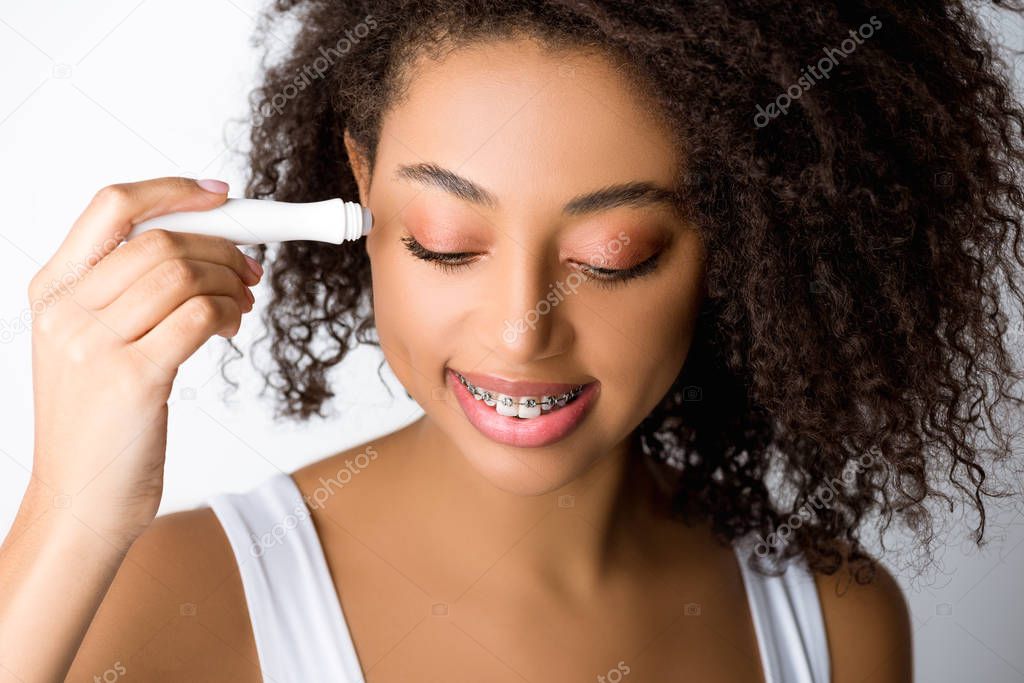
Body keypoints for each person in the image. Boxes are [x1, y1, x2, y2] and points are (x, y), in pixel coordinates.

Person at [5, 1, 1024, 681]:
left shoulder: (833, 622)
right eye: (446, 242)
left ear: (741, 235)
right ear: (362, 187)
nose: (516, 328)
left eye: (615, 253)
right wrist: (70, 514)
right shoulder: (169, 595)